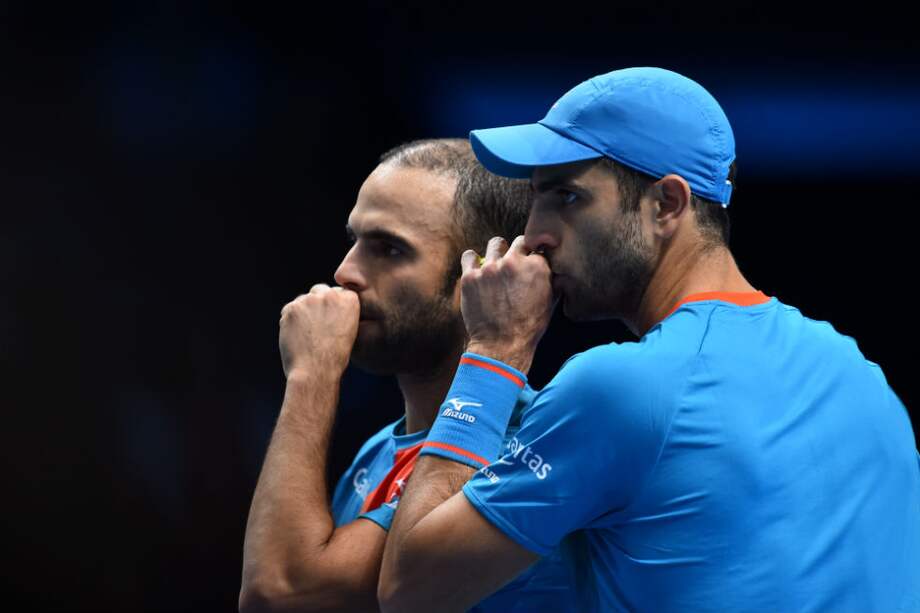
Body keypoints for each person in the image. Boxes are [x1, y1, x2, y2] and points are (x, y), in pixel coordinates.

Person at [378, 68, 920, 612]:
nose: (535, 233)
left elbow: (410, 590)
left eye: (567, 197)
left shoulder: (619, 387)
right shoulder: (860, 375)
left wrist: (495, 349)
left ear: (665, 204)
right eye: (535, 200)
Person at [239, 139, 579, 612]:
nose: (345, 272)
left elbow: (278, 593)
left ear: (484, 275)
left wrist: (310, 377)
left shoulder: (521, 454)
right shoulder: (377, 452)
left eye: (389, 249)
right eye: (355, 240)